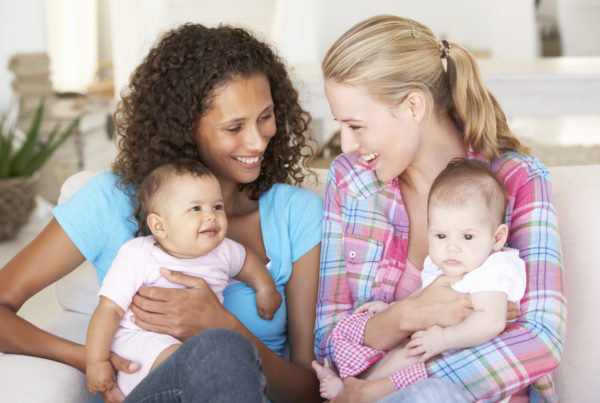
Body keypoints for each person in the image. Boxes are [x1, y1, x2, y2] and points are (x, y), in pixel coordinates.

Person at [0, 23, 323, 403]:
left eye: (265, 116)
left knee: (222, 347)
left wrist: (222, 325)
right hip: (146, 390)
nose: (256, 140)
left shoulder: (297, 215)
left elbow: (309, 392)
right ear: (184, 129)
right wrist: (91, 359)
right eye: (234, 127)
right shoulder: (111, 201)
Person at [313, 15, 565, 403]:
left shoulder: (517, 181)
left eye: (356, 126)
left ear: (414, 105)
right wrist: (409, 315)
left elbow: (540, 340)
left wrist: (391, 384)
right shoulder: (350, 181)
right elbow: (329, 341)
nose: (347, 145)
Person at [313, 158, 527, 400]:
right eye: (441, 235)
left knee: (411, 354)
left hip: (464, 368)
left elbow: (492, 321)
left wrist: (443, 339)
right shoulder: (443, 264)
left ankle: (354, 391)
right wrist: (393, 308)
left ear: (497, 238)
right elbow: (423, 299)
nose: (452, 248)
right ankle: (353, 386)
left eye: (467, 236)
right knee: (399, 349)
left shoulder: (494, 268)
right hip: (432, 349)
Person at [86, 159, 282, 396]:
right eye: (196, 209)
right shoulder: (139, 254)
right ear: (159, 226)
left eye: (217, 207)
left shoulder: (223, 251)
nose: (211, 216)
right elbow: (109, 309)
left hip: (198, 360)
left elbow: (247, 262)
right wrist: (96, 361)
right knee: (197, 353)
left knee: (227, 356)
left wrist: (265, 289)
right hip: (140, 349)